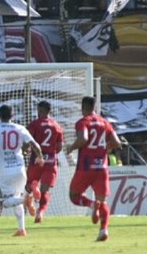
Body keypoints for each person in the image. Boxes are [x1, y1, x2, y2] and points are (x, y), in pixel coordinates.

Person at [67, 96, 122, 242]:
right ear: (95, 107)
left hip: (86, 166)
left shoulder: (82, 122)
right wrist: (105, 148)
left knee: (74, 195)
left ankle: (91, 205)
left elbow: (83, 139)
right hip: (101, 167)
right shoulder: (105, 123)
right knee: (103, 201)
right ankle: (104, 230)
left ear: (82, 107)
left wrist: (71, 148)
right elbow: (117, 142)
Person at [0, 104, 44, 237]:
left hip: (5, 171)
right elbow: (35, 145)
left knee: (5, 202)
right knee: (16, 198)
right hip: (20, 169)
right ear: (12, 116)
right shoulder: (20, 128)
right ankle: (22, 229)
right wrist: (40, 157)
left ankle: (27, 199)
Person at [26, 100, 64, 223]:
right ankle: (40, 212)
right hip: (51, 161)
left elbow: (28, 141)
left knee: (27, 186)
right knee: (45, 190)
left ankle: (27, 205)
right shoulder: (57, 125)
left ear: (41, 110)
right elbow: (59, 147)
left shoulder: (34, 124)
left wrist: (26, 150)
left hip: (36, 160)